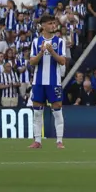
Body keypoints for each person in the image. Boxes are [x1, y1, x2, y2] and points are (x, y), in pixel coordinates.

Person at [29, 14, 68, 149]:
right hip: (38, 82)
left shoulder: (60, 41)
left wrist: (52, 51)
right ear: (43, 26)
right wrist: (41, 53)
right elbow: (32, 62)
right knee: (37, 112)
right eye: (50, 23)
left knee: (57, 111)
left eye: (54, 23)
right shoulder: (36, 42)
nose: (53, 26)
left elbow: (63, 61)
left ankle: (59, 141)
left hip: (54, 82)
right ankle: (37, 141)